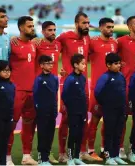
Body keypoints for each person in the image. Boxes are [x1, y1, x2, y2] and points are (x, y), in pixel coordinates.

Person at [56, 12, 93, 162]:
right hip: (68, 84)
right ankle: (62, 153)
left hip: (83, 84)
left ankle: (81, 151)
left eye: (88, 23)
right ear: (76, 23)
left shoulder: (87, 39)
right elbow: (50, 47)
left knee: (83, 118)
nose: (86, 25)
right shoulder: (65, 37)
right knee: (66, 119)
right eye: (84, 23)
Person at [8, 16, 38, 165]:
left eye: (33, 26)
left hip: (31, 91)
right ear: (21, 28)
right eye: (29, 26)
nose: (32, 28)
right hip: (16, 91)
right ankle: (7, 157)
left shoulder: (34, 44)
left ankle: (26, 156)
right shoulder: (12, 43)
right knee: (11, 124)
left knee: (29, 124)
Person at [117, 15, 135, 159]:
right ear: (129, 27)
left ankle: (134, 148)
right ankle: (120, 147)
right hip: (125, 86)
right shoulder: (121, 41)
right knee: (121, 119)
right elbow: (110, 57)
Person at [88, 17, 118, 161]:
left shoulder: (115, 43)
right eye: (108, 27)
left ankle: (104, 149)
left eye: (112, 27)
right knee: (94, 120)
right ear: (100, 28)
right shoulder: (92, 42)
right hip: (97, 89)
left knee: (109, 122)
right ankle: (89, 150)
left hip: (112, 91)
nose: (111, 30)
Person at [33, 21, 61, 164]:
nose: (53, 32)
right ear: (43, 31)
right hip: (40, 91)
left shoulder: (58, 44)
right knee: (41, 128)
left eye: (54, 30)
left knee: (50, 129)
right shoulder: (36, 44)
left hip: (52, 89)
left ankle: (47, 154)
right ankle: (39, 155)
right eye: (49, 30)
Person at [94, 53, 127, 165]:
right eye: (116, 64)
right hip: (110, 109)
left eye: (119, 63)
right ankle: (108, 156)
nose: (118, 65)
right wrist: (107, 103)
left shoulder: (121, 76)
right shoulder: (105, 77)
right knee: (109, 133)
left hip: (121, 109)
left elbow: (123, 90)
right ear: (108, 65)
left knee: (118, 132)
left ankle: (115, 155)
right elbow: (97, 92)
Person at [62, 54, 87, 165]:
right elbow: (64, 95)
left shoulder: (82, 77)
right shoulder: (70, 79)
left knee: (80, 134)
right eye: (82, 63)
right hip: (73, 112)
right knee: (73, 134)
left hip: (82, 111)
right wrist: (71, 108)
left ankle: (77, 156)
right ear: (76, 65)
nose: (85, 65)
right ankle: (70, 158)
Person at [33, 55, 59, 165]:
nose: (50, 65)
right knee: (42, 134)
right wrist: (39, 108)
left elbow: (55, 93)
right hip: (42, 111)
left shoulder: (54, 78)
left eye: (51, 63)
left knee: (50, 133)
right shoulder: (39, 79)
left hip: (52, 110)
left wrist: (55, 108)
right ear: (41, 65)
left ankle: (47, 156)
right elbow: (35, 95)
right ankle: (42, 158)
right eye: (47, 63)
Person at [0, 60, 15, 165]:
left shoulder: (11, 85)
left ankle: (2, 162)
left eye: (9, 70)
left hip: (8, 118)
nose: (7, 72)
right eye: (4, 70)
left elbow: (11, 102)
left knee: (5, 141)